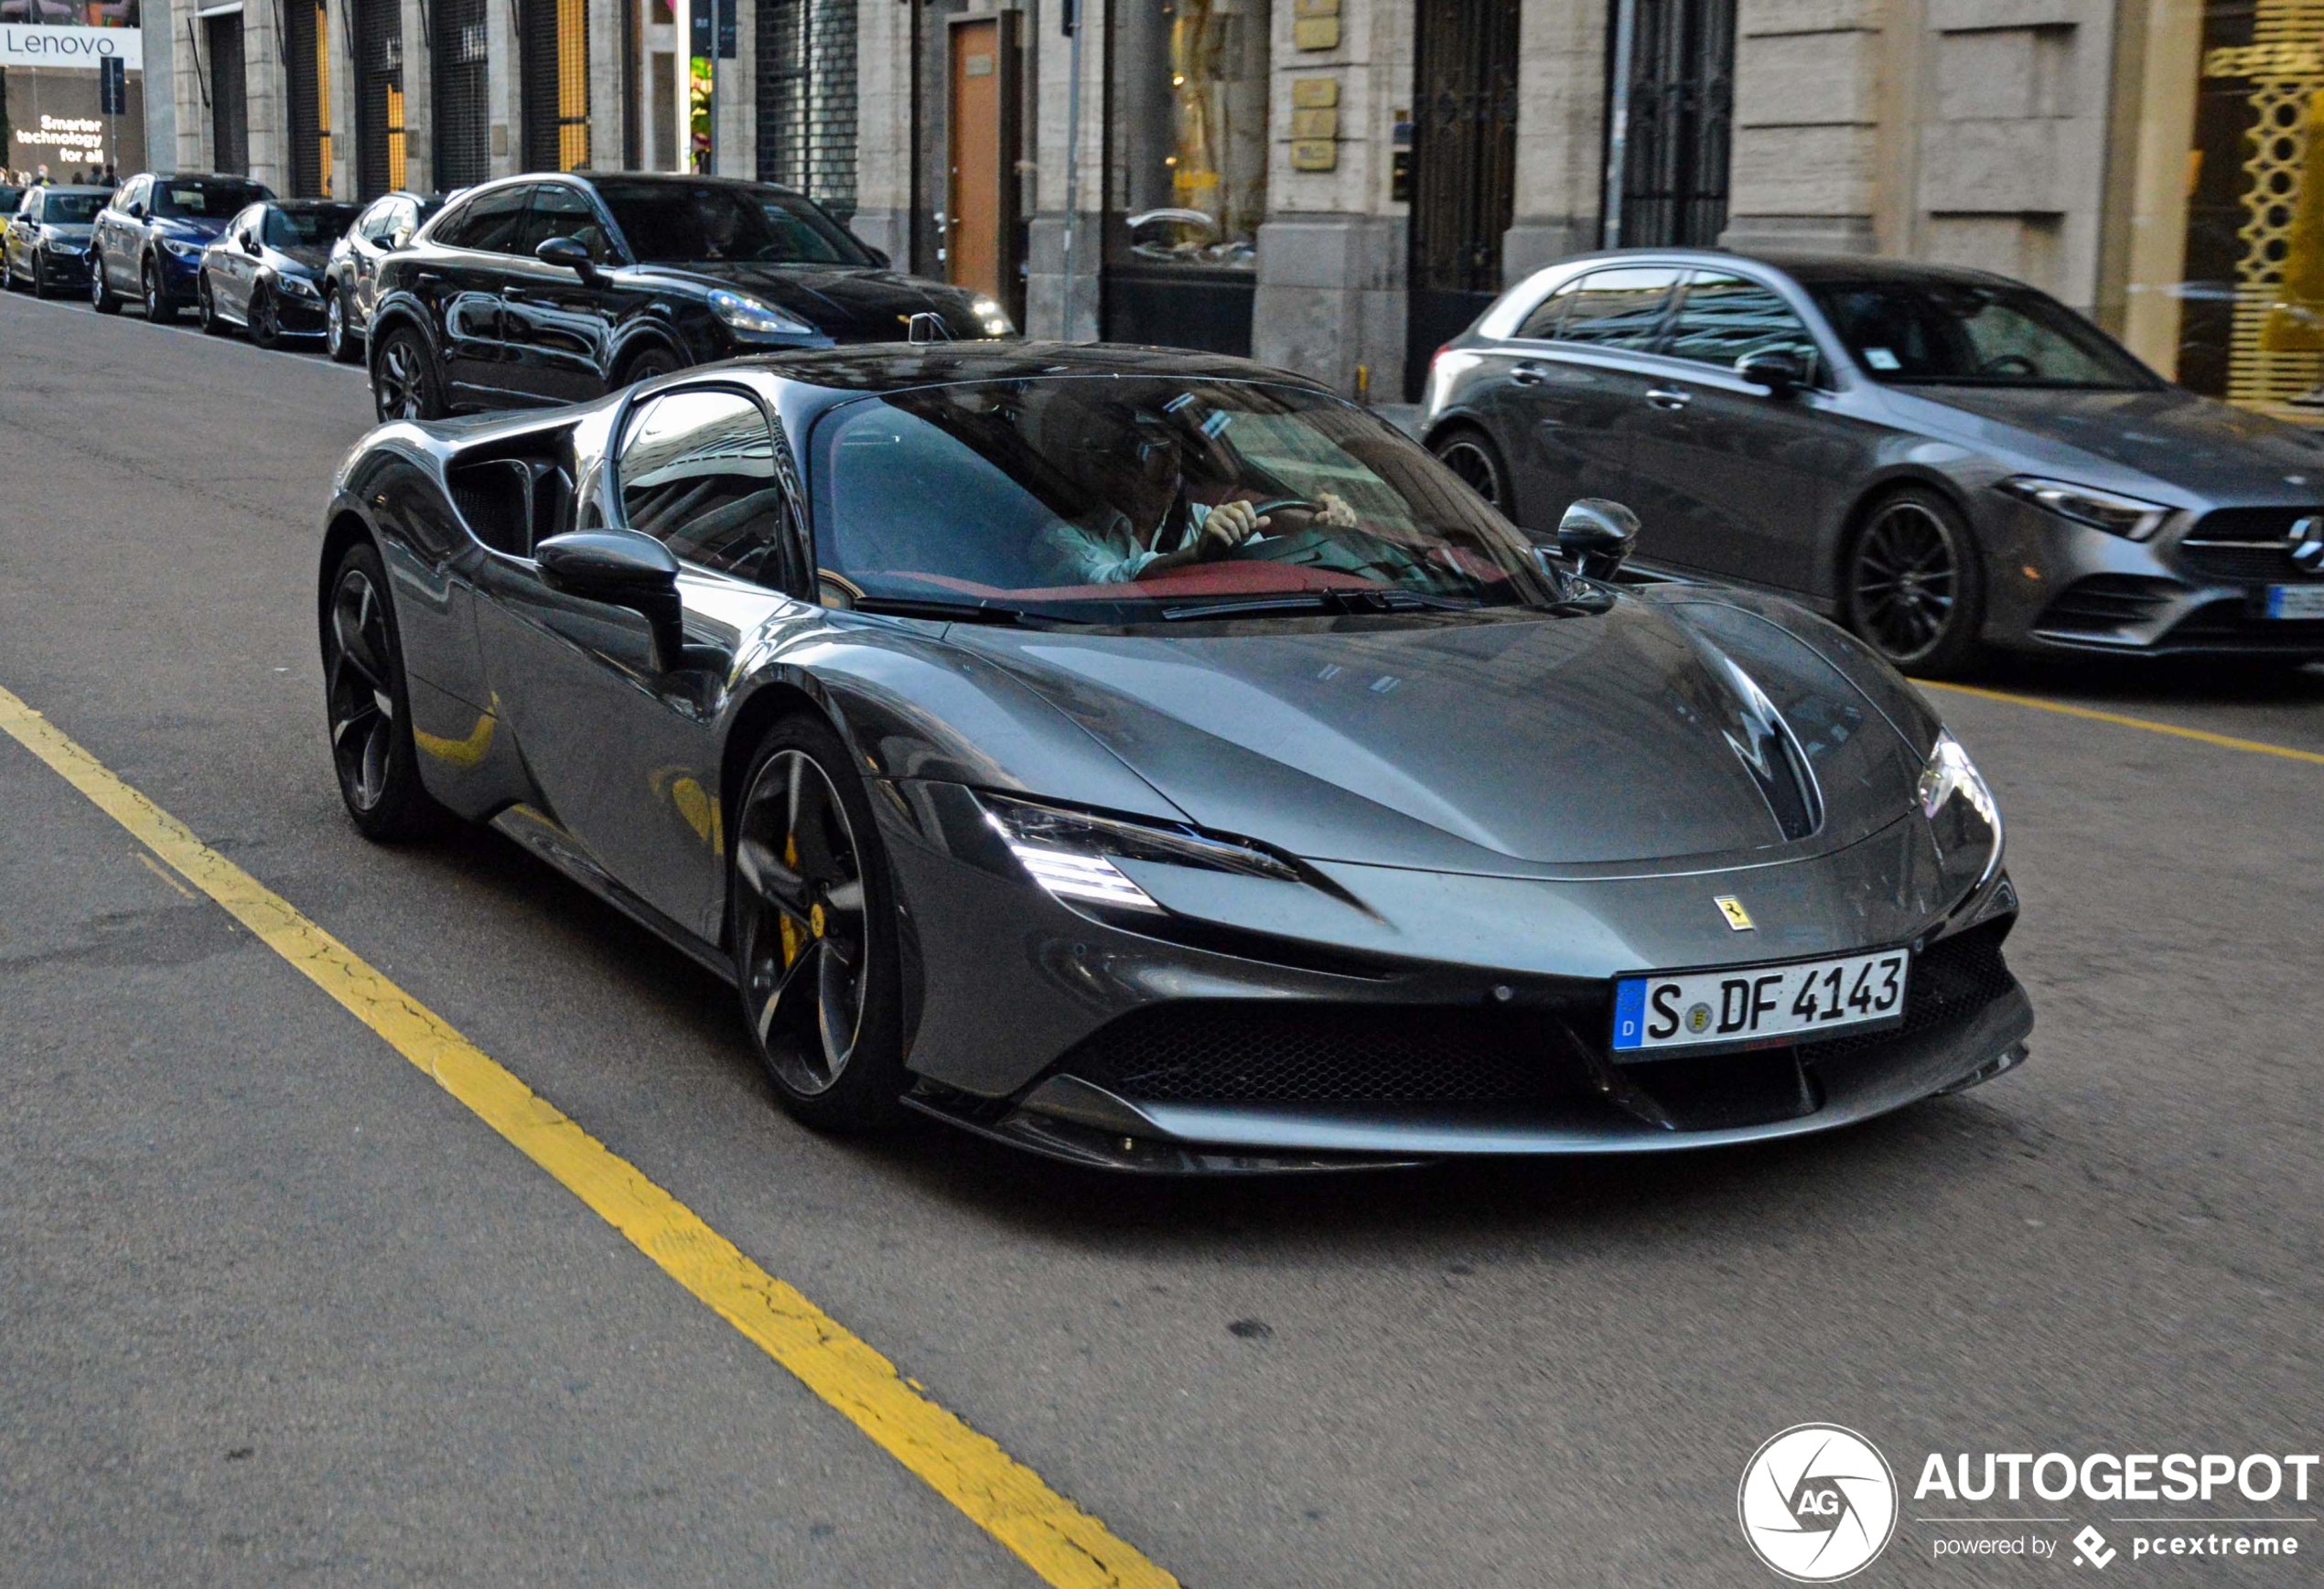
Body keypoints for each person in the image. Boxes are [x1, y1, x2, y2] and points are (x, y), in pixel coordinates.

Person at [1037, 407, 1356, 585]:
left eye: (1175, 453)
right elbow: (1112, 582)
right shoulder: (1063, 539)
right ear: (1109, 467)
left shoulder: (1201, 518)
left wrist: (1323, 536)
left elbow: (1268, 562)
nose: (1170, 471)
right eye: (1152, 454)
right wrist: (1197, 555)